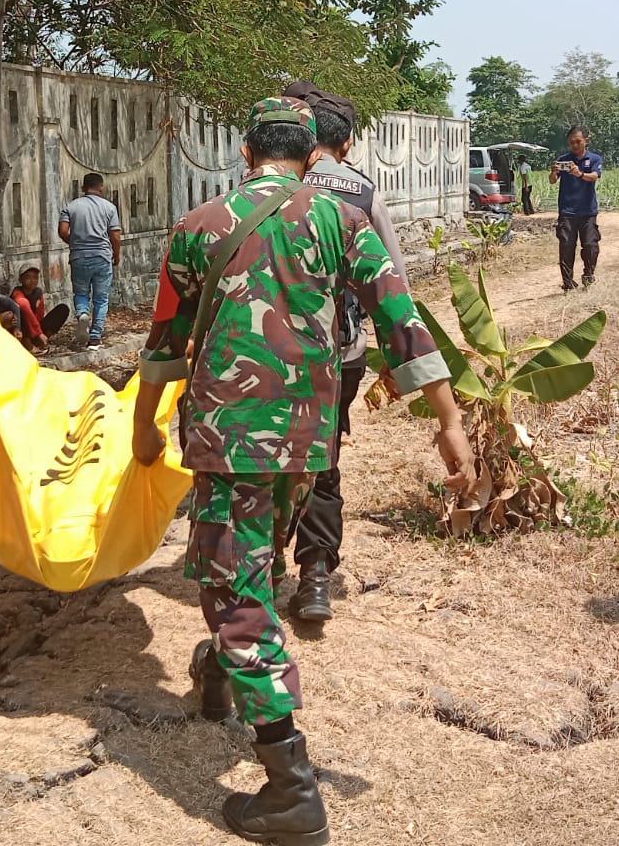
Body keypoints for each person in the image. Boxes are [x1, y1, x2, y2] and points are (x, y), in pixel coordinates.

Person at [130, 96, 474, 845]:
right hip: (308, 438)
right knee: (250, 565)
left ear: (246, 152)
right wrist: (449, 421)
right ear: (313, 152)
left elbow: (165, 340)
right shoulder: (341, 220)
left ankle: (290, 789)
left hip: (228, 435)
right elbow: (400, 319)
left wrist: (143, 428)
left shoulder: (199, 226)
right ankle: (219, 671)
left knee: (236, 583)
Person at [281, 80, 408, 625]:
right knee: (323, 455)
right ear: (347, 142)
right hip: (342, 353)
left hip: (268, 355)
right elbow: (392, 282)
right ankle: (314, 577)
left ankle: (260, 572)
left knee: (271, 461)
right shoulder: (363, 194)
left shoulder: (266, 189)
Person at [57, 173, 121, 349]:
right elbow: (115, 235)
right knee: (101, 298)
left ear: (83, 188)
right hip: (102, 257)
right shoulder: (109, 208)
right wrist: (116, 255)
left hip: (79, 257)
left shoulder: (71, 207)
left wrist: (75, 243)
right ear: (101, 187)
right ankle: (95, 336)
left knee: (81, 293)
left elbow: (62, 231)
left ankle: (83, 313)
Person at [549, 127, 603, 290]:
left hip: (587, 211)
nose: (575, 145)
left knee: (590, 245)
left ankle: (588, 274)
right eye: (571, 142)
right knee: (566, 246)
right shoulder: (563, 159)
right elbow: (552, 181)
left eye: (578, 141)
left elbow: (594, 176)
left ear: (586, 140)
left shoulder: (594, 158)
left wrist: (579, 173)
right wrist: (553, 172)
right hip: (567, 211)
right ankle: (567, 282)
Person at [12, 266, 71, 351]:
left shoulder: (38, 293)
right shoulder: (17, 293)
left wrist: (40, 332)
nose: (32, 281)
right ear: (20, 280)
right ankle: (29, 346)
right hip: (22, 330)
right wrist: (39, 333)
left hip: (35, 328)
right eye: (28, 277)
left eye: (35, 277)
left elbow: (40, 314)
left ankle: (42, 341)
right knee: (24, 314)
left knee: (62, 309)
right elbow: (25, 308)